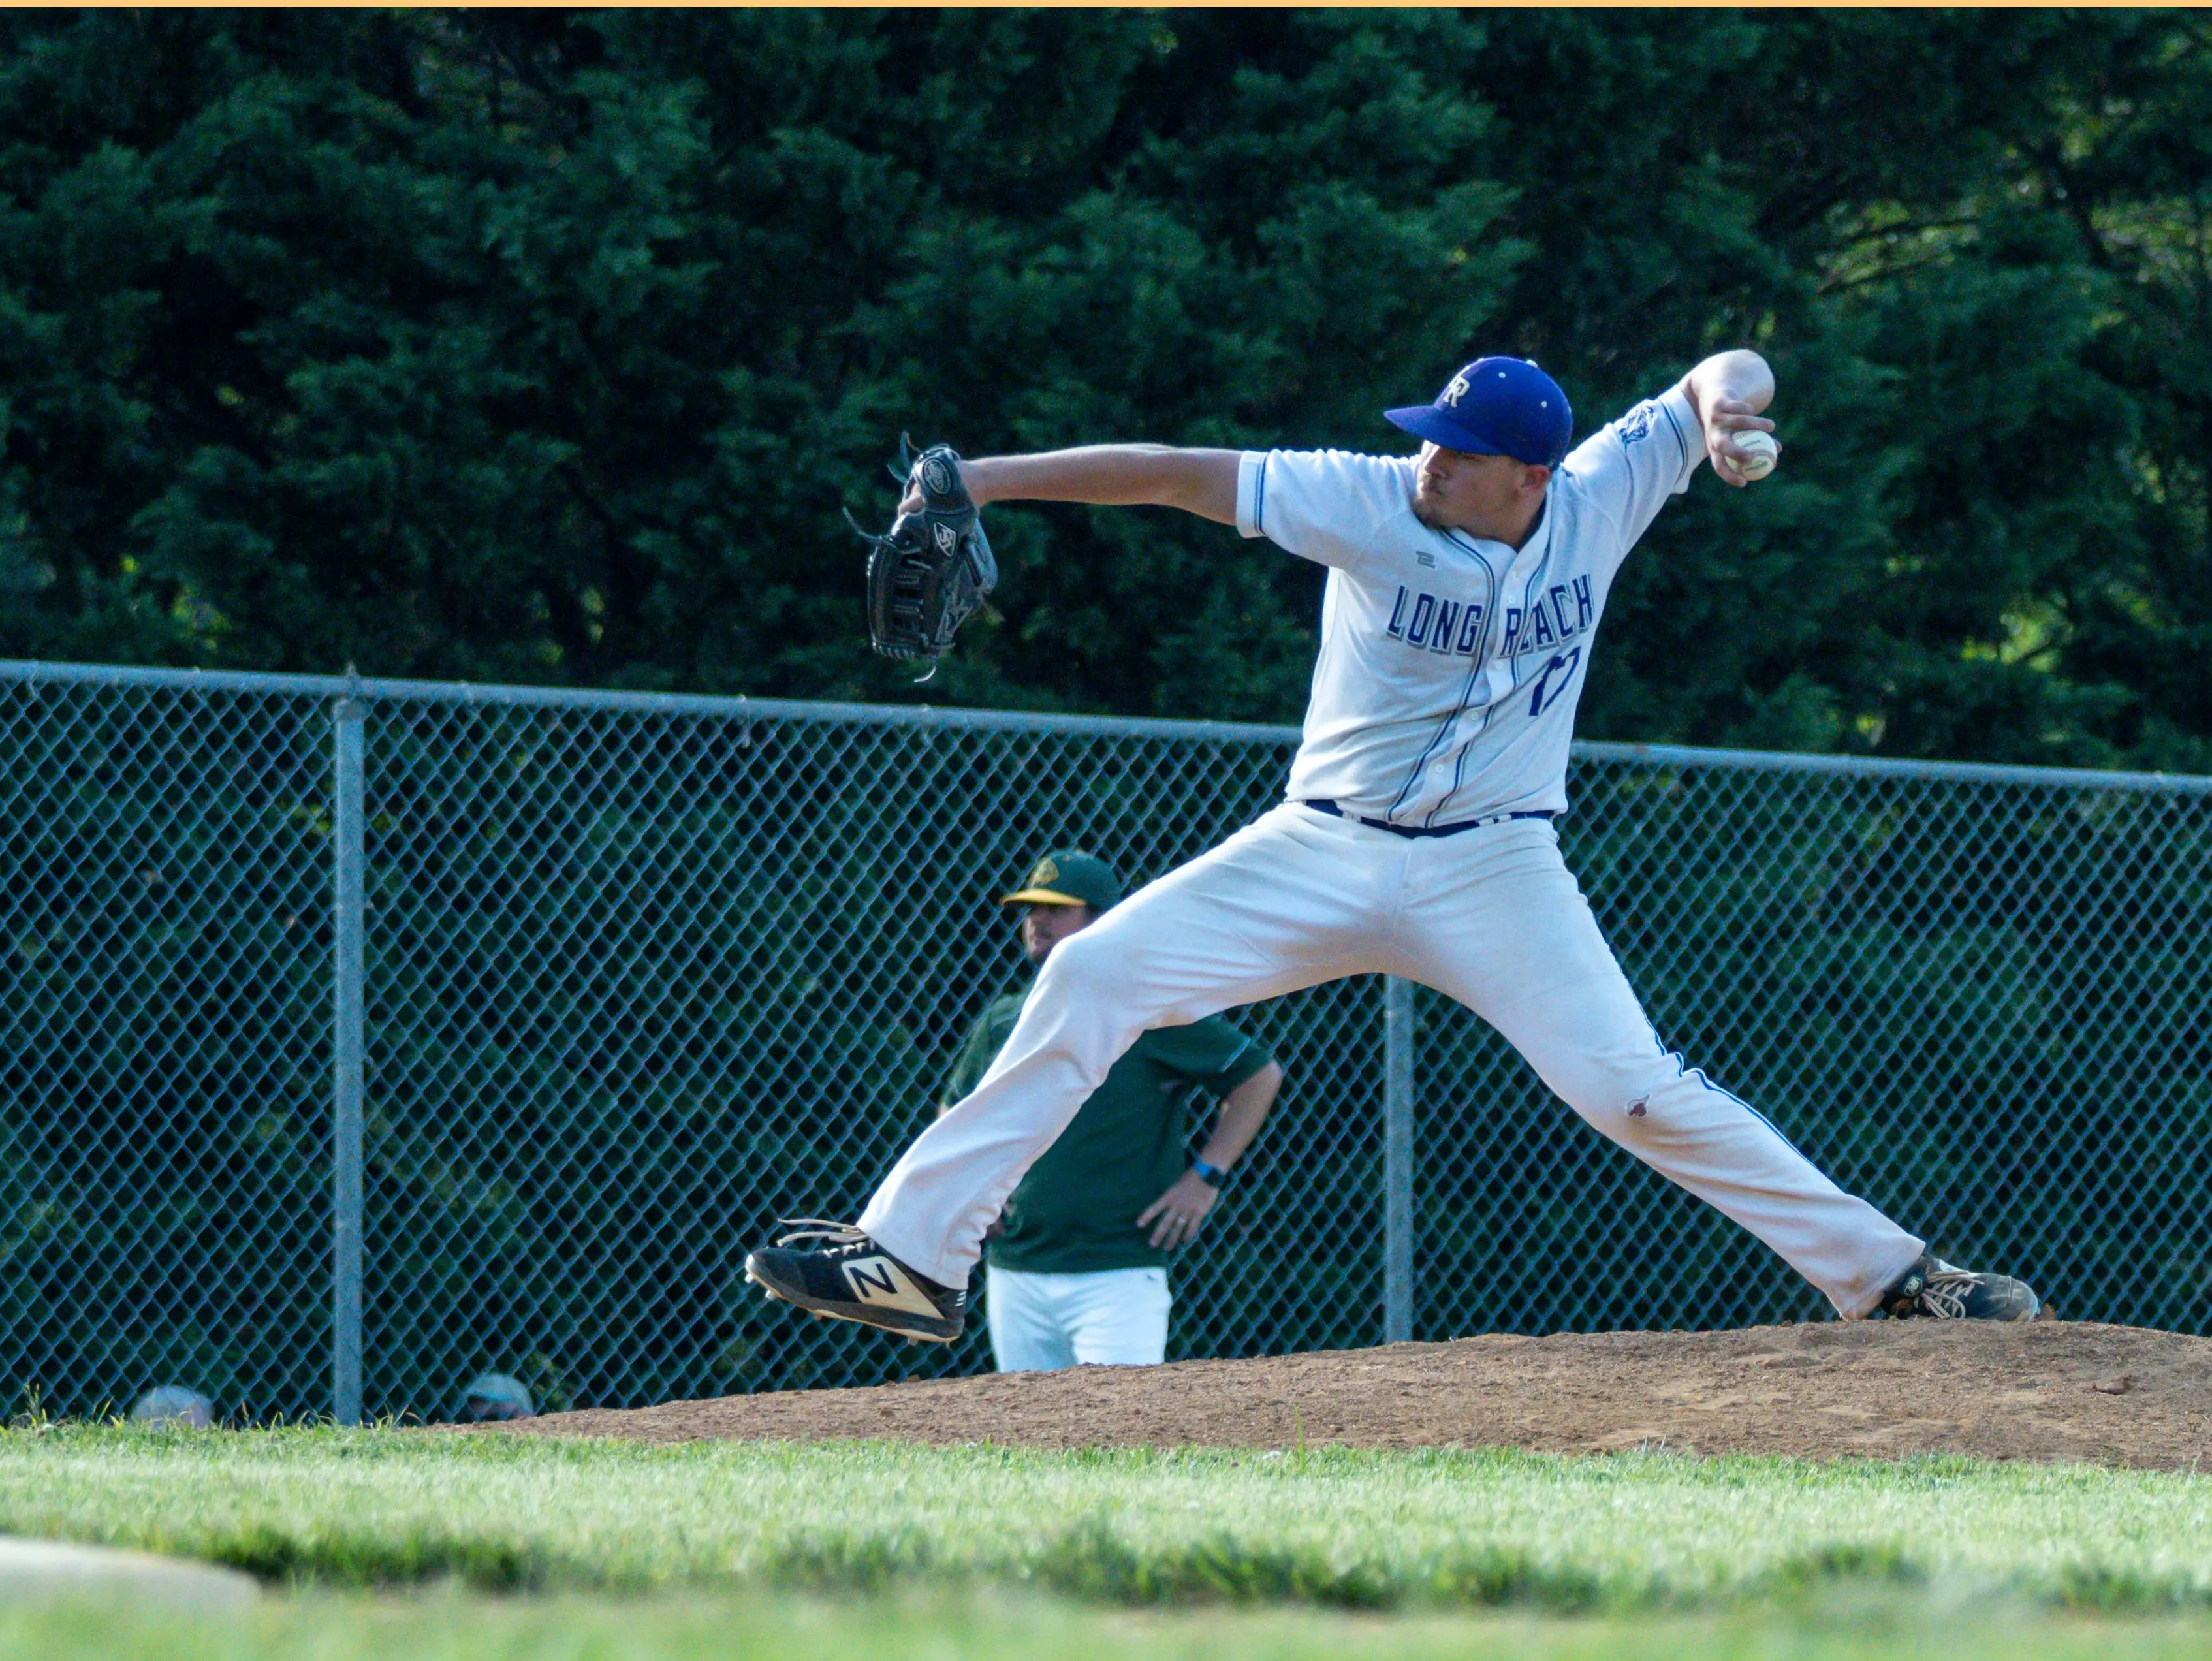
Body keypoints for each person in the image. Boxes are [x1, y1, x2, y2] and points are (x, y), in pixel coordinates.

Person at [746, 349, 2042, 1342]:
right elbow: (1172, 470)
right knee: (1086, 975)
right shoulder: (1367, 502)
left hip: (1496, 867)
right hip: (1317, 853)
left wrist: (1720, 415)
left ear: (1530, 476)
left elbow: (1728, 367)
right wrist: (982, 481)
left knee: (1632, 1089)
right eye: (1431, 441)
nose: (1430, 464)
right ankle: (914, 1257)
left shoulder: (1597, 495)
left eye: (1461, 455)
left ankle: (1891, 1280)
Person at [945, 849, 1282, 1371]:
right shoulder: (1006, 1017)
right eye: (1031, 908)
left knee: (1119, 1434)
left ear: (1104, 921)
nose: (1037, 920)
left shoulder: (1144, 1012)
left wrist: (1205, 1176)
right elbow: (956, 1110)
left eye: (1058, 909)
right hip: (1016, 1269)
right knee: (1026, 1438)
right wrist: (971, 1189)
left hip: (1118, 1273)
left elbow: (1257, 1075)